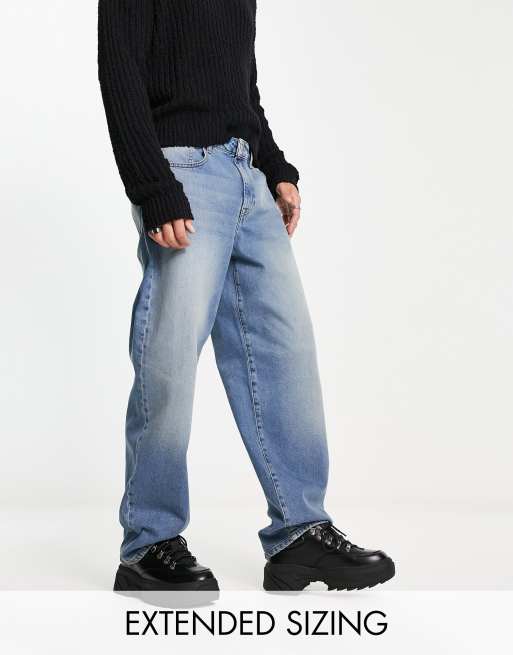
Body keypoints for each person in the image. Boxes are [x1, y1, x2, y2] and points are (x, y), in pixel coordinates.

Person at [98, 0, 395, 592]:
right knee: (169, 360)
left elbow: (241, 87)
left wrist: (274, 165)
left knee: (286, 353)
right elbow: (119, 70)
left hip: (247, 176)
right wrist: (153, 186)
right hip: (182, 175)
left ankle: (299, 534)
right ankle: (148, 542)